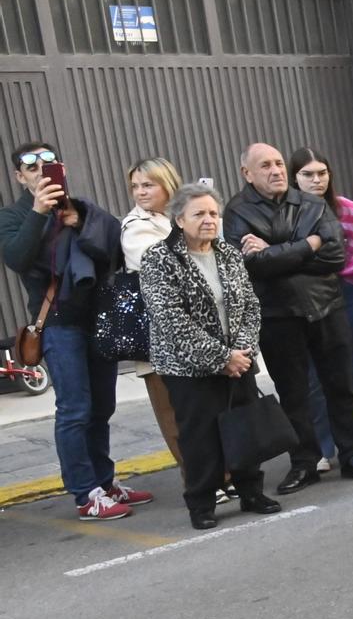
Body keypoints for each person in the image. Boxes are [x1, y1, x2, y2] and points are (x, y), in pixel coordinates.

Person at [2, 140, 147, 519]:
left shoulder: (80, 208)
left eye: (49, 163)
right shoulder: (13, 216)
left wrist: (80, 223)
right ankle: (86, 494)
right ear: (20, 176)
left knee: (102, 406)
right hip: (57, 324)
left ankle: (105, 481)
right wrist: (38, 212)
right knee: (74, 409)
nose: (40, 170)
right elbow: (17, 258)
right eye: (32, 166)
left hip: (98, 319)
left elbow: (114, 248)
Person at [225, 143, 353, 493]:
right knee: (294, 392)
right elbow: (251, 265)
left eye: (279, 163)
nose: (276, 170)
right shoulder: (237, 212)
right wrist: (307, 245)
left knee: (343, 385)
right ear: (247, 174)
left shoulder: (311, 204)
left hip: (327, 305)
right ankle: (304, 462)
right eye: (265, 165)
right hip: (278, 314)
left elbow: (335, 255)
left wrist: (274, 251)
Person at [138, 183, 283, 530]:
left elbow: (250, 304)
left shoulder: (228, 253)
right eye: (199, 214)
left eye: (213, 213)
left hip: (239, 359)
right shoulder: (158, 258)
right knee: (199, 435)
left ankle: (251, 491)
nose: (208, 220)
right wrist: (221, 357)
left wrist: (242, 350)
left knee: (244, 426)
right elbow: (170, 318)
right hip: (188, 367)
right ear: (179, 219)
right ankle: (201, 503)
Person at [290, 147, 353, 466]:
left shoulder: (349, 210)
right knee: (313, 376)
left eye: (322, 173)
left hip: (348, 295)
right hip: (307, 299)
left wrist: (352, 266)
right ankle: (322, 448)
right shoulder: (288, 214)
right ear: (294, 177)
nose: (316, 180)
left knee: (350, 373)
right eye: (307, 175)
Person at [121, 156, 184, 468]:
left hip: (196, 333)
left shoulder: (182, 216)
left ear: (167, 184)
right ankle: (200, 480)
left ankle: (224, 474)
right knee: (172, 413)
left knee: (203, 412)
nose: (140, 192)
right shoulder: (135, 228)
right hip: (157, 337)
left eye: (148, 184)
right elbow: (163, 268)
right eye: (135, 186)